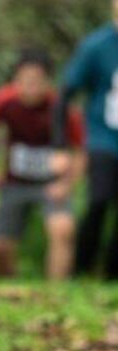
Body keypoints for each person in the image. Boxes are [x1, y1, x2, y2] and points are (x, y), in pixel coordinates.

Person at [0, 49, 85, 280]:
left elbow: (79, 150)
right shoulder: (3, 102)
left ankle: (56, 292)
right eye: (24, 81)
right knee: (0, 246)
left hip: (51, 183)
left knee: (63, 229)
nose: (31, 88)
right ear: (15, 80)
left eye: (37, 81)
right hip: (15, 181)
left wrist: (67, 184)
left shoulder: (61, 108)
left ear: (48, 81)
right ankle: (9, 288)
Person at [54, 0, 118, 279]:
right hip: (103, 138)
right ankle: (80, 268)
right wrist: (60, 145)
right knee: (98, 202)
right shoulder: (96, 46)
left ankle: (110, 274)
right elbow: (65, 94)